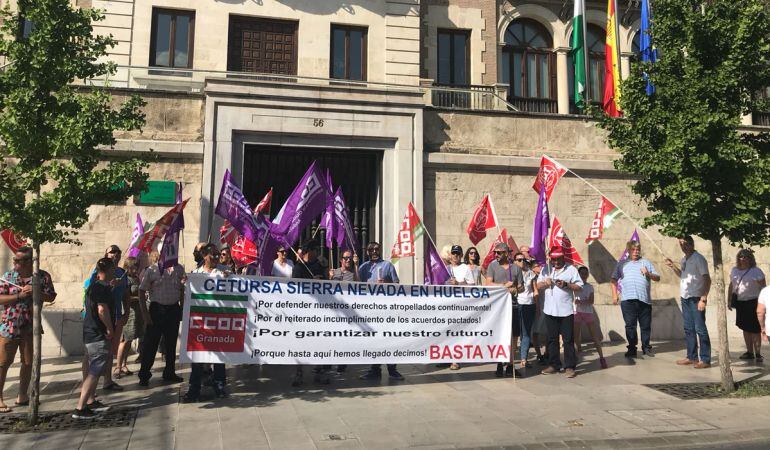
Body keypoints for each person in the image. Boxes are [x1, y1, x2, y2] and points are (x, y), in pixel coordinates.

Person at [0, 246, 56, 413]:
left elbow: (51, 296)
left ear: (29, 262)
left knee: (27, 362)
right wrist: (19, 296)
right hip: (9, 326)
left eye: (18, 260)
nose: (15, 263)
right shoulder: (8, 277)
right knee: (3, 363)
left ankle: (22, 395)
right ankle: (0, 398)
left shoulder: (42, 276)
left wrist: (36, 292)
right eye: (15, 260)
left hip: (30, 326)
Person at [184, 243, 230, 401]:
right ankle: (194, 388)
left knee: (219, 355)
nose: (217, 257)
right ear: (204, 256)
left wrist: (230, 278)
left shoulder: (223, 272)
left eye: (218, 254)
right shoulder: (195, 274)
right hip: (200, 323)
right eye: (213, 255)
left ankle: (219, 384)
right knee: (197, 357)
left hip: (218, 321)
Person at [137, 247, 186, 387]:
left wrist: (181, 308)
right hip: (157, 310)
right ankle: (144, 374)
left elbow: (182, 289)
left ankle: (169, 372)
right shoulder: (152, 270)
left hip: (173, 309)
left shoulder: (179, 269)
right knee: (150, 344)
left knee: (171, 344)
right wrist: (145, 315)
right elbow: (141, 291)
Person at [73, 258, 115, 419]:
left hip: (91, 332)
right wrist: (110, 329)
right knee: (95, 371)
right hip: (97, 333)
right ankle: (80, 408)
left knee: (96, 370)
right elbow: (102, 310)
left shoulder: (95, 286)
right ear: (109, 269)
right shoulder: (101, 287)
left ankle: (90, 402)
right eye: (113, 268)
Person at [82, 245, 127, 392]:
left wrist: (125, 312)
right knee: (91, 354)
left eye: (118, 252)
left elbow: (126, 293)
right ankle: (87, 385)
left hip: (114, 315)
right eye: (112, 252)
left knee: (108, 351)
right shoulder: (98, 273)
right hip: (97, 318)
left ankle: (107, 381)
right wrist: (110, 286)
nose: (115, 254)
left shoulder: (121, 272)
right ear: (106, 254)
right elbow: (93, 294)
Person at [358, 241, 404, 381]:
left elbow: (397, 284)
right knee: (374, 341)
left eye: (376, 249)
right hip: (371, 311)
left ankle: (392, 369)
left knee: (389, 339)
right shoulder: (363, 268)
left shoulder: (387, 265)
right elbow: (357, 287)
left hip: (386, 311)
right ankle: (375, 369)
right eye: (371, 249)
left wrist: (387, 285)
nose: (374, 251)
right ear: (367, 252)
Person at [665, 236, 712, 368]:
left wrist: (703, 298)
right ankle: (691, 357)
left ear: (692, 244)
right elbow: (683, 275)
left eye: (686, 244)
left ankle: (705, 359)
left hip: (696, 298)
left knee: (700, 329)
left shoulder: (699, 259)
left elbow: (707, 279)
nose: (683, 246)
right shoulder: (684, 259)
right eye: (681, 244)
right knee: (688, 329)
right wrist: (673, 267)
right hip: (685, 298)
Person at [536, 247, 583, 378]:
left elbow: (579, 287)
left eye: (558, 259)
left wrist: (566, 284)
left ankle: (569, 366)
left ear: (563, 258)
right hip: (550, 310)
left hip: (565, 310)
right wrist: (545, 283)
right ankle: (554, 364)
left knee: (568, 340)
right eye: (553, 259)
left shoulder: (571, 269)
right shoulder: (546, 269)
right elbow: (537, 286)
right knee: (551, 339)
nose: (555, 262)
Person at [611, 240, 660, 358]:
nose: (636, 252)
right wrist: (614, 295)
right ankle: (632, 348)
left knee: (645, 326)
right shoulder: (621, 264)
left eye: (638, 249)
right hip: (627, 301)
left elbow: (657, 277)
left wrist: (648, 274)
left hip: (644, 300)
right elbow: (613, 280)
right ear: (628, 251)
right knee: (630, 326)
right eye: (633, 249)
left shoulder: (646, 262)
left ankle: (646, 348)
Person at [291, 239, 328, 386]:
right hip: (302, 312)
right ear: (309, 251)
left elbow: (328, 287)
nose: (318, 253)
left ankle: (319, 371)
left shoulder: (320, 265)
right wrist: (311, 282)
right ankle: (298, 374)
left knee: (319, 342)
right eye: (316, 250)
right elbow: (294, 288)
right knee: (300, 344)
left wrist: (323, 279)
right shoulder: (298, 268)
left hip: (318, 312)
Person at [485, 242, 523, 377]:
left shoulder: (516, 269)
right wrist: (504, 285)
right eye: (495, 252)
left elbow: (521, 287)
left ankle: (511, 365)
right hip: (498, 307)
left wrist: (515, 289)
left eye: (499, 252)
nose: (496, 255)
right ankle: (500, 363)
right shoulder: (492, 266)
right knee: (500, 335)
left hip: (513, 305)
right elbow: (488, 284)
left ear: (507, 253)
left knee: (514, 336)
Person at [728, 249, 766, 362]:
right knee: (745, 328)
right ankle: (749, 352)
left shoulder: (756, 271)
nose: (743, 259)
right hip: (740, 303)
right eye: (741, 256)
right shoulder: (734, 270)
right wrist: (729, 300)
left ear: (750, 259)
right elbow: (731, 286)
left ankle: (758, 354)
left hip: (753, 302)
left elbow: (763, 287)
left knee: (755, 329)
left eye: (745, 257)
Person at [115, 257, 145, 378]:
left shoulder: (136, 278)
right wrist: (139, 298)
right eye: (134, 266)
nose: (137, 268)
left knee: (130, 340)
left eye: (137, 266)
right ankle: (117, 366)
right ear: (128, 267)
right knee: (124, 340)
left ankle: (124, 364)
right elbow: (125, 297)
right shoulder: (125, 279)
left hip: (137, 312)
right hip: (128, 311)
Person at [573, 266, 607, 369]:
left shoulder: (589, 287)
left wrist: (581, 302)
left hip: (588, 313)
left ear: (587, 275)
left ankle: (602, 358)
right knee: (575, 336)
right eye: (581, 273)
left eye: (585, 274)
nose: (583, 275)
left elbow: (591, 301)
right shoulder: (574, 286)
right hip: (576, 312)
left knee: (594, 336)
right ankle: (576, 354)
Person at [514, 252, 538, 371]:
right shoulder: (511, 273)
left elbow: (535, 291)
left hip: (529, 304)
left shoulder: (531, 273)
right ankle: (509, 359)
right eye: (519, 260)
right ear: (514, 261)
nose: (521, 262)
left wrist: (537, 306)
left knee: (526, 332)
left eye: (523, 259)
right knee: (515, 333)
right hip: (515, 305)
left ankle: (524, 358)